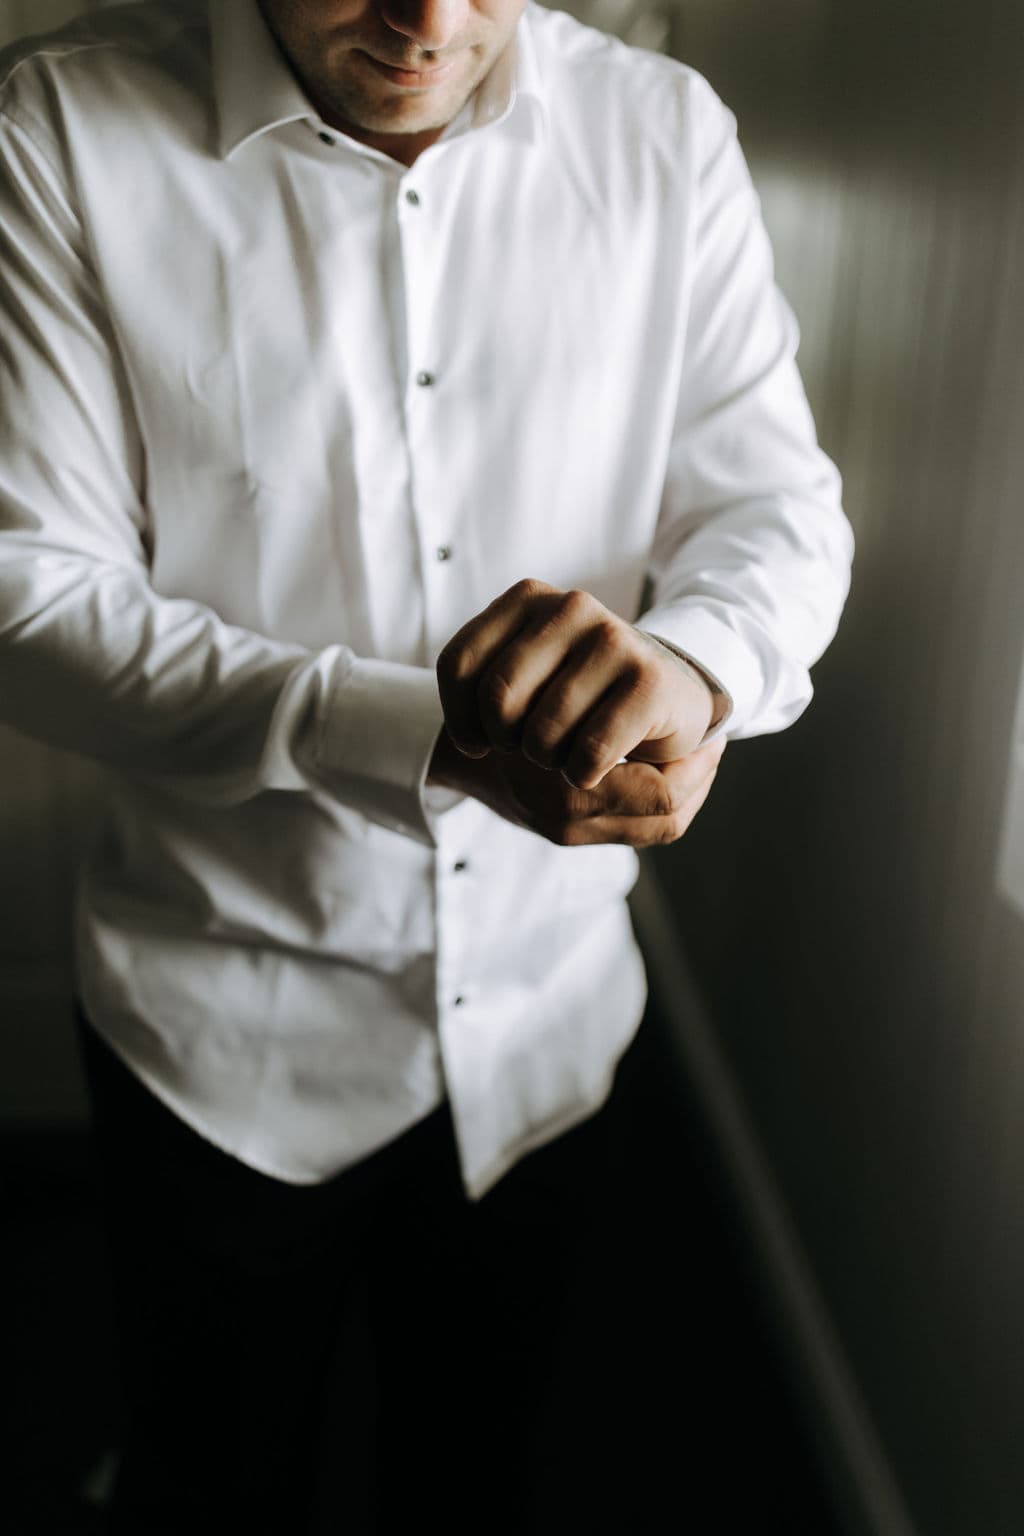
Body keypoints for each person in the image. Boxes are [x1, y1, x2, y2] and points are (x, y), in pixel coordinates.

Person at [0, 0, 853, 1530]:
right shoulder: (56, 130)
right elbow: (31, 598)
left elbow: (779, 514)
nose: (432, 17)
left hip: (552, 1034)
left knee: (479, 1478)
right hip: (219, 1037)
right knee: (210, 1488)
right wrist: (420, 732)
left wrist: (699, 668)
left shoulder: (663, 135)